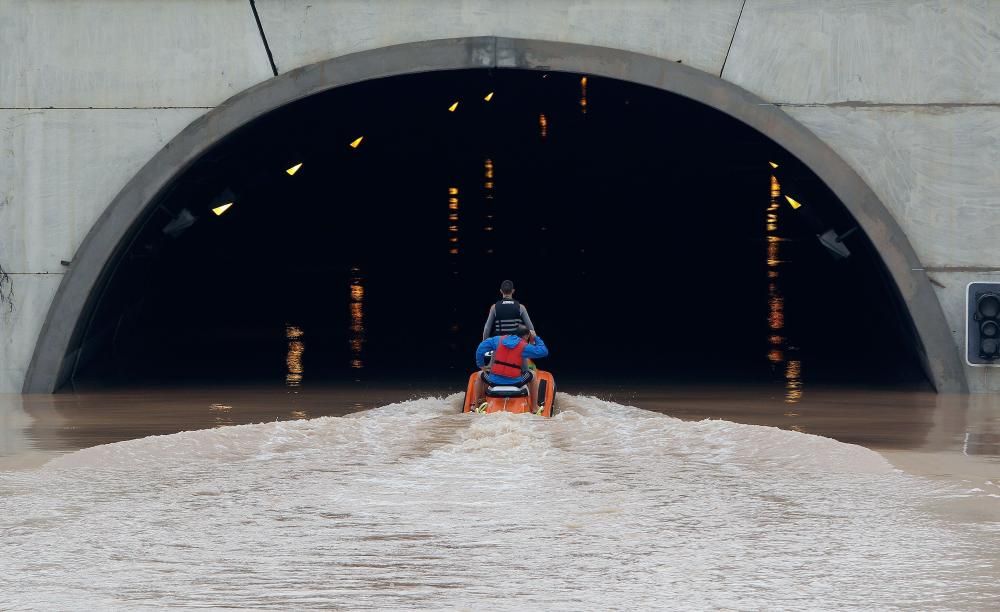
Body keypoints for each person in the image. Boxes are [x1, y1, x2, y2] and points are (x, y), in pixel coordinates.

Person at [473, 324, 548, 403]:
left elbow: (480, 348)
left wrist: (481, 365)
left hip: (494, 381)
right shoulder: (524, 346)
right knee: (533, 374)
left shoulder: (497, 340)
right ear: (526, 336)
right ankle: (534, 407)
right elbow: (544, 351)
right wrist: (536, 337)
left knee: (479, 374)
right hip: (515, 382)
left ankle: (476, 405)